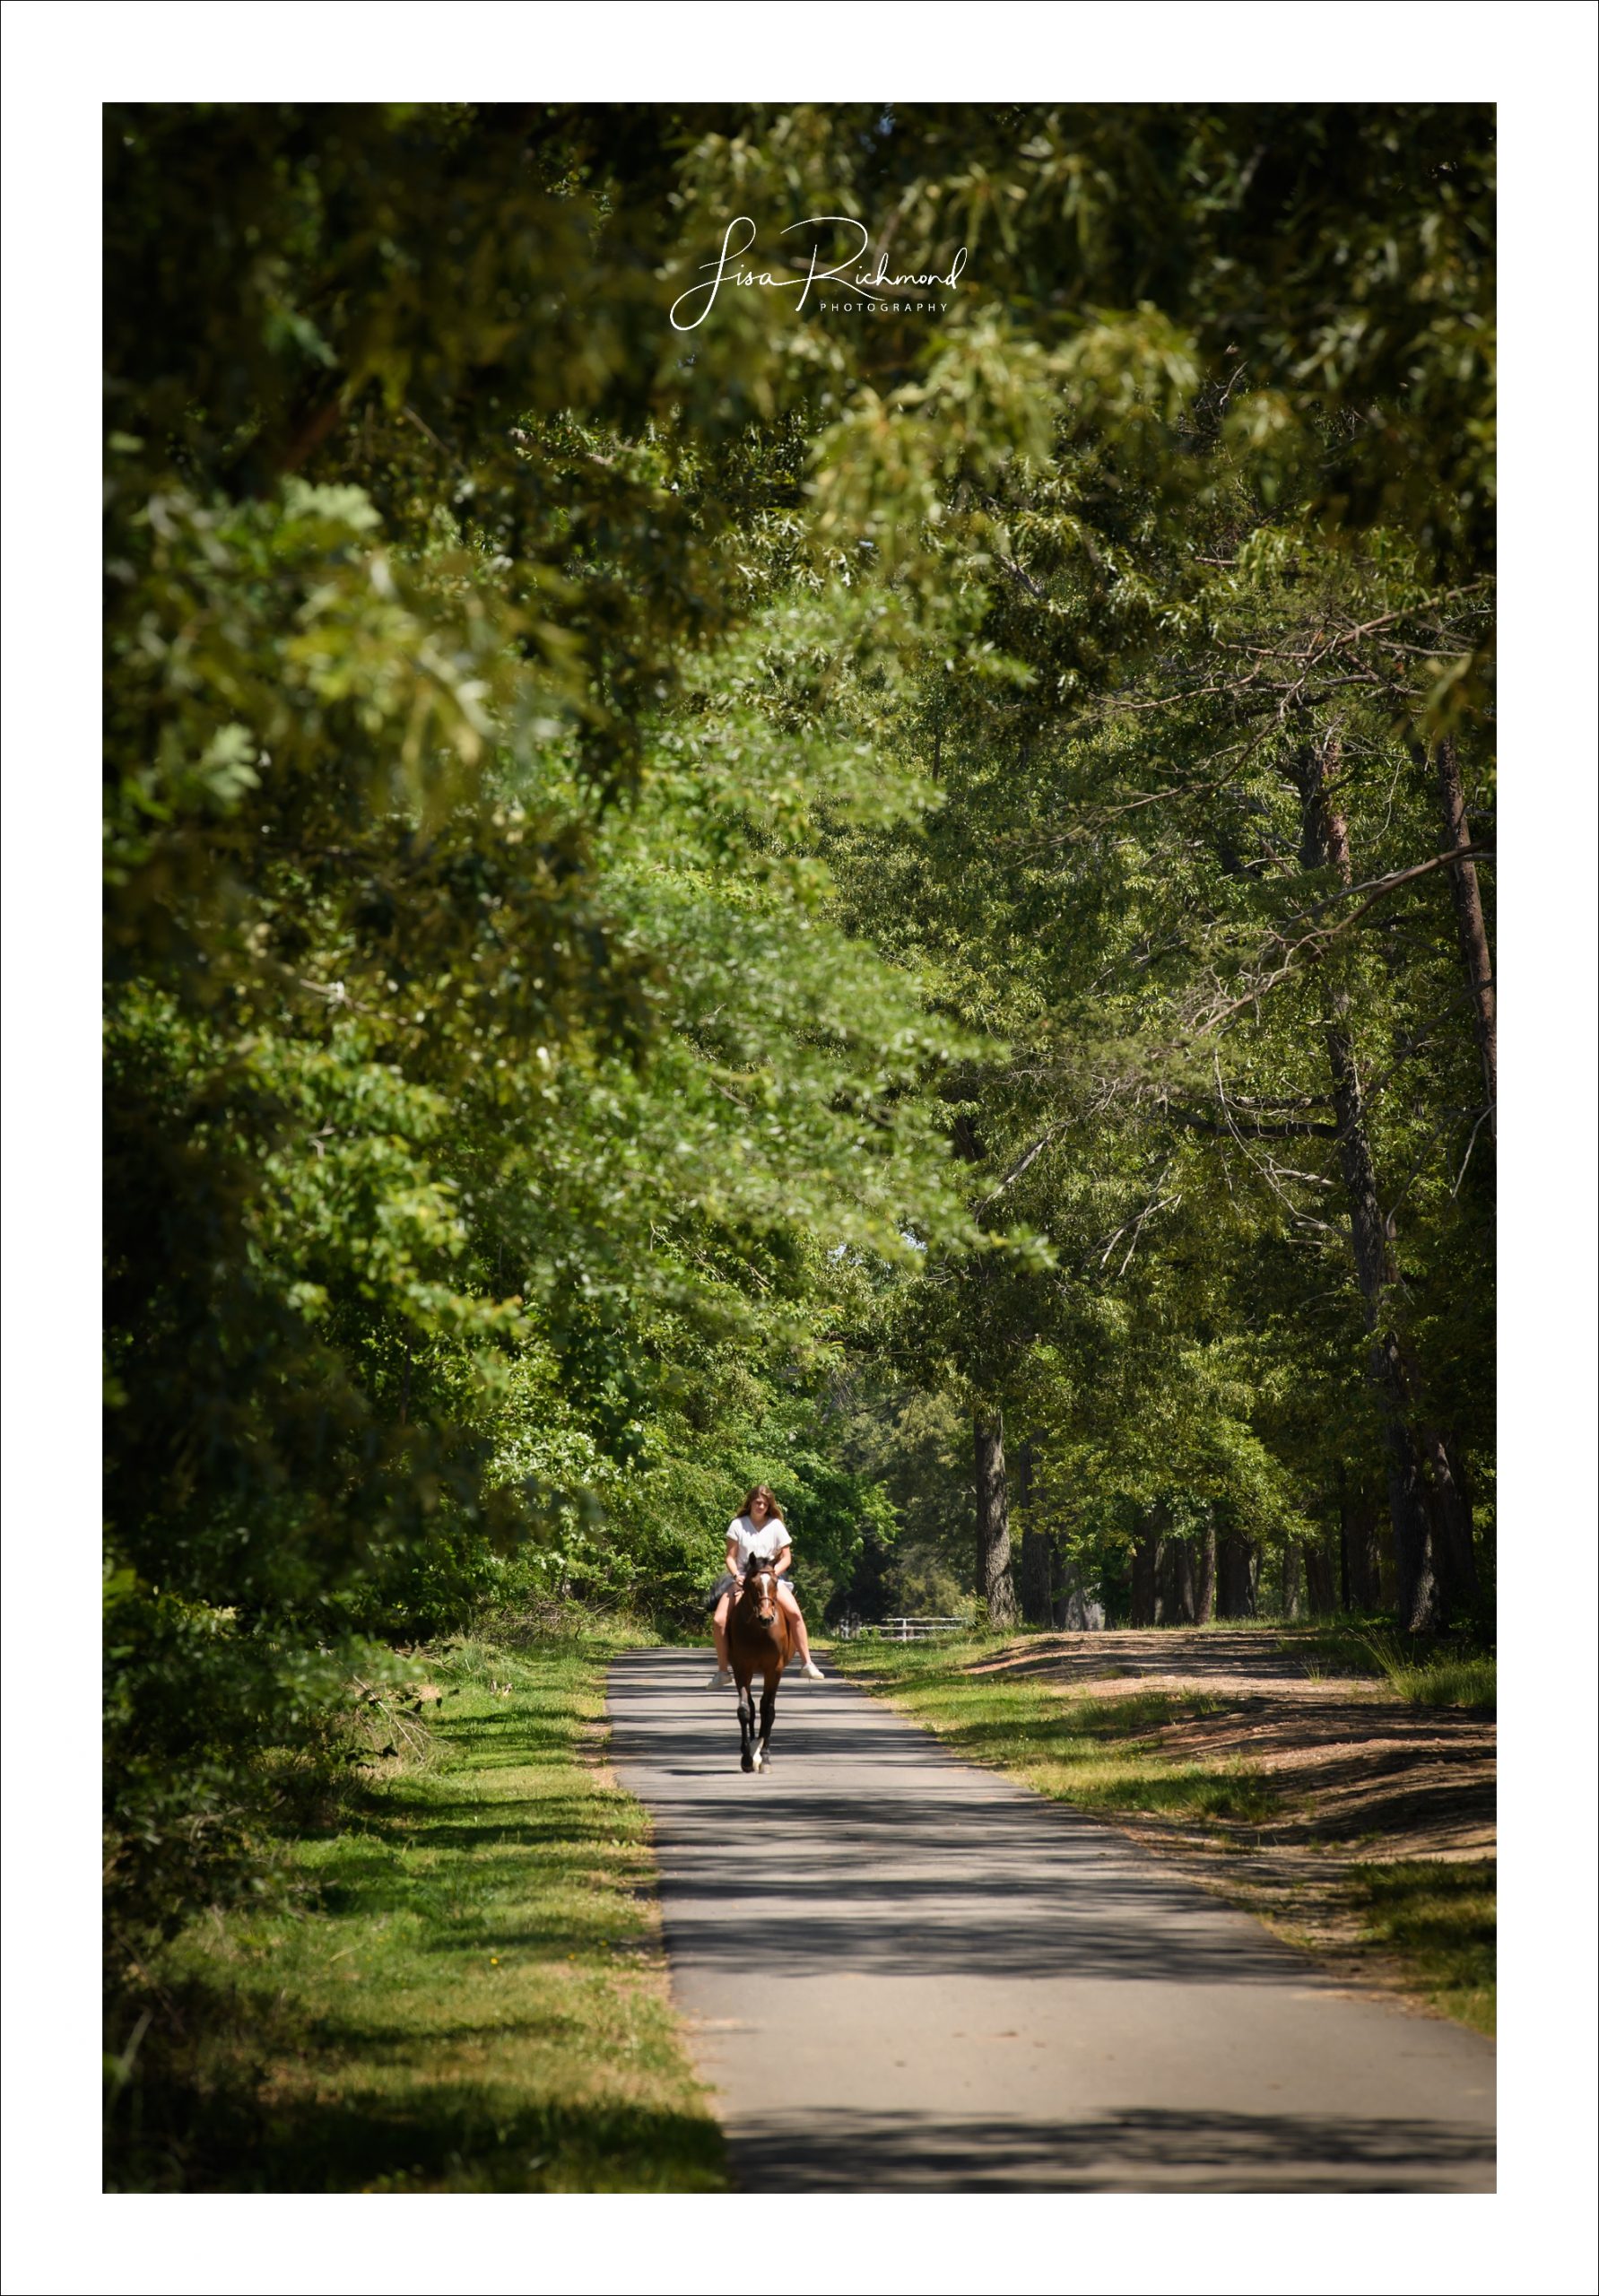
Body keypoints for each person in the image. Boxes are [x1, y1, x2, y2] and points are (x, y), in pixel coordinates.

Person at [708, 1485, 824, 1688]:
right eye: (757, 1502)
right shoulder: (738, 1525)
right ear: (750, 1503)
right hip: (744, 1579)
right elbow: (730, 1556)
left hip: (770, 1579)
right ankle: (722, 1671)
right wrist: (737, 1575)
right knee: (719, 1620)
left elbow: (787, 1557)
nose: (760, 1506)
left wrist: (773, 1575)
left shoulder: (776, 1526)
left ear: (769, 1505)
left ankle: (807, 1662)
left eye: (764, 1503)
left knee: (795, 1614)